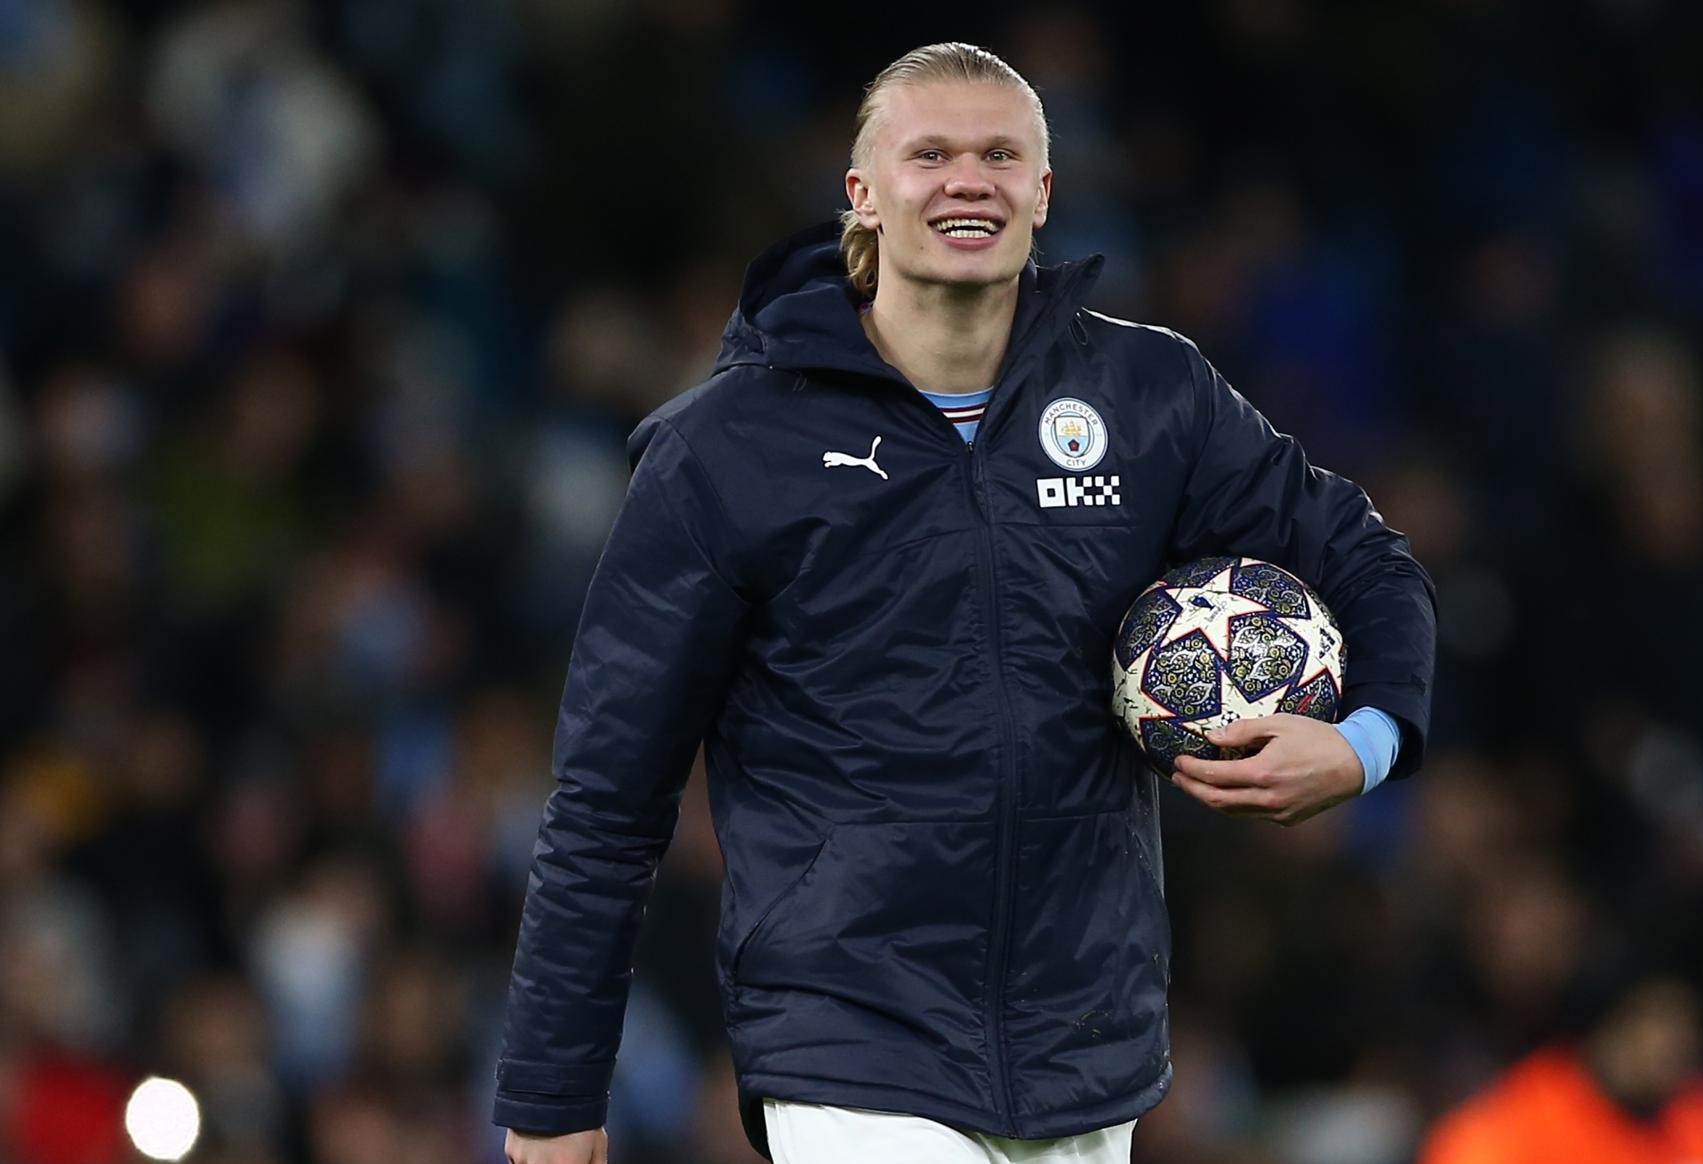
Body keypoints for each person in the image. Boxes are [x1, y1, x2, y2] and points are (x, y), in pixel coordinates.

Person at [495, 42, 1436, 1164]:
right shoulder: (727, 451)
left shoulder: (1148, 399)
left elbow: (1368, 561)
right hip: (852, 1042)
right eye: (928, 152)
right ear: (862, 194)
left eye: (1001, 154)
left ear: (1044, 193)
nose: (967, 180)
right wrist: (554, 1094)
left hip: (1089, 1045)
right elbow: (608, 797)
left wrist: (1367, 746)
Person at [1419, 974, 1703, 1164]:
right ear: (1606, 1029)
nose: (1668, 1049)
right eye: (1649, 1026)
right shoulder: (1530, 1109)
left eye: (1684, 1034)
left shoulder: (1702, 1118)